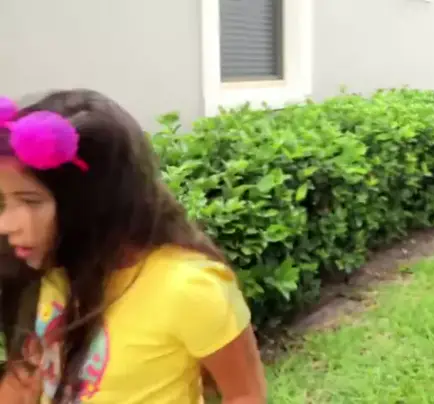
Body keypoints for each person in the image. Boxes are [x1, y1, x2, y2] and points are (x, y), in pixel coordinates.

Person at [0, 89, 267, 403]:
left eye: (31, 201)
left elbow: (245, 395)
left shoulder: (188, 287)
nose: (5, 225)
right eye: (3, 202)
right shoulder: (55, 267)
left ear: (94, 204)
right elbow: (25, 377)